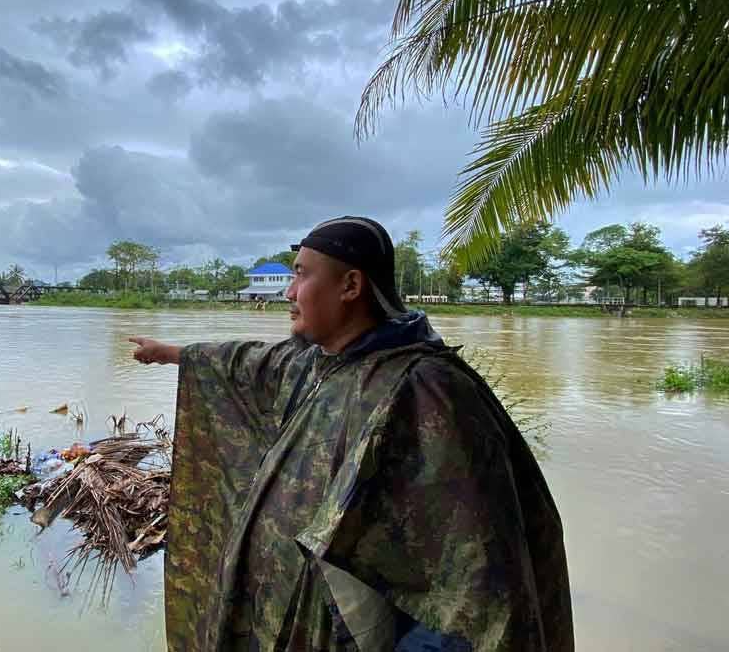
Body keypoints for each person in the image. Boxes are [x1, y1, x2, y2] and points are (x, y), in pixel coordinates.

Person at [129, 216, 573, 652]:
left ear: (351, 286)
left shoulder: (425, 388)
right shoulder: (319, 364)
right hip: (285, 616)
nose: (289, 292)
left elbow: (474, 575)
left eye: (302, 275)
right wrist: (170, 354)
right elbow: (246, 361)